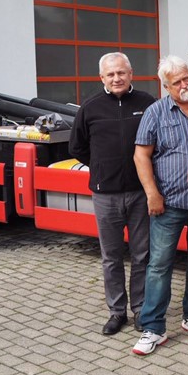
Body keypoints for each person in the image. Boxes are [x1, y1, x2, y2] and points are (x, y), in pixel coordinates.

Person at [131, 56, 188, 355]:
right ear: (165, 86)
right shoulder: (155, 112)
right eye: (177, 82)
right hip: (169, 202)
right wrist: (152, 193)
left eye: (187, 78)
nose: (184, 85)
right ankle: (153, 327)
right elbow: (141, 156)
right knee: (159, 265)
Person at [69, 52, 155, 335]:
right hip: (105, 195)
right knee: (111, 256)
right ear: (102, 78)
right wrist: (101, 168)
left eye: (121, 73)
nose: (116, 78)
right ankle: (117, 312)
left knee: (142, 254)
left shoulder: (147, 104)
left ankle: (141, 310)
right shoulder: (90, 107)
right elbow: (77, 147)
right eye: (110, 74)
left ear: (131, 74)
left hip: (140, 193)